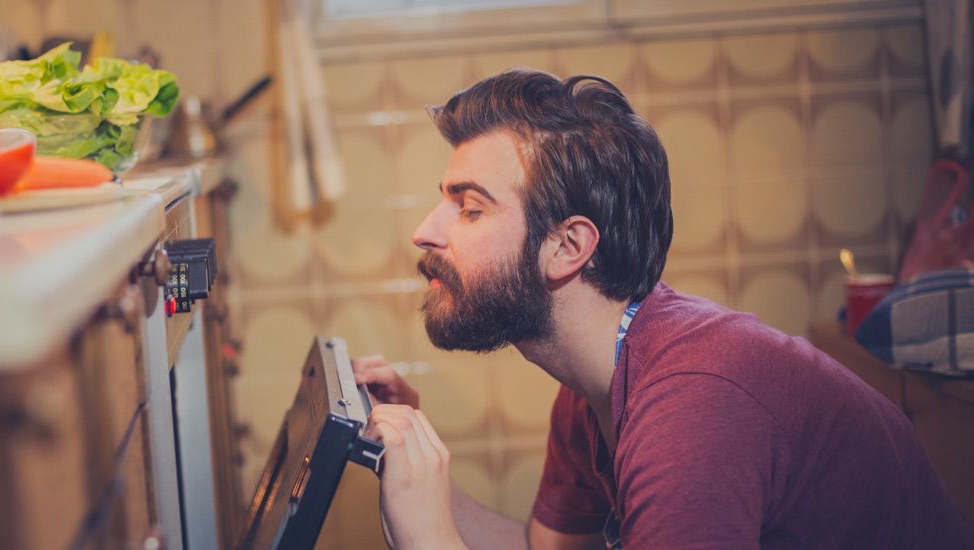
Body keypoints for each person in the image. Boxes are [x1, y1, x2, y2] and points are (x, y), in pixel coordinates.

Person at [355, 69, 974, 549]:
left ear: (568, 246)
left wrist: (429, 540)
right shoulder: (596, 380)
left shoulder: (692, 412)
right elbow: (542, 547)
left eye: (469, 208)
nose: (423, 232)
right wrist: (416, 467)